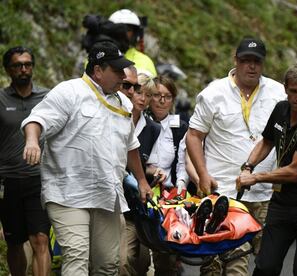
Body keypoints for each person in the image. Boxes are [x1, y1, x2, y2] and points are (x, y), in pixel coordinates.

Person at [186, 37, 297, 275]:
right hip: (226, 192)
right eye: (246, 60)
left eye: (257, 61)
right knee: (233, 264)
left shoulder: (285, 98)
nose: (251, 66)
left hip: (271, 196)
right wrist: (211, 174)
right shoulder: (216, 93)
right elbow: (195, 136)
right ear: (236, 60)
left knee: (282, 265)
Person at [21, 41, 153, 275]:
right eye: (117, 70)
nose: (122, 76)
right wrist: (32, 141)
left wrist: (142, 181)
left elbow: (131, 145)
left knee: (108, 265)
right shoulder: (69, 91)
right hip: (68, 193)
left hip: (106, 193)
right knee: (76, 257)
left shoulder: (122, 102)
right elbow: (36, 120)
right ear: (98, 70)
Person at [237, 63, 297, 275]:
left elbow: (294, 172)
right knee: (265, 266)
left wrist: (256, 178)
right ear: (285, 89)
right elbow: (266, 142)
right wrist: (248, 166)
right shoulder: (281, 109)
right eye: (294, 91)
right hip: (282, 203)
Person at [0, 46, 51, 276]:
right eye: (18, 65)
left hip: (39, 179)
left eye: (28, 64)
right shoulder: (1, 99)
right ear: (8, 69)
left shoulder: (47, 97)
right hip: (8, 180)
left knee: (40, 238)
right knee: (14, 241)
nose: (24, 69)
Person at [118, 66, 159, 276]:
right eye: (140, 92)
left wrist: (154, 172)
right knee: (123, 261)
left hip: (138, 203)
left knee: (142, 264)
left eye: (149, 95)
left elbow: (150, 162)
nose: (143, 98)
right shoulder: (115, 116)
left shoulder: (153, 129)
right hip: (116, 200)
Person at [147, 75, 189, 276]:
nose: (162, 101)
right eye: (157, 95)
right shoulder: (140, 121)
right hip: (143, 193)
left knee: (167, 256)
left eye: (167, 96)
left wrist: (181, 186)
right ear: (148, 96)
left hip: (169, 196)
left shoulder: (179, 126)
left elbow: (182, 162)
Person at [109, 8, 157, 77]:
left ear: (135, 34)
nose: (122, 32)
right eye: (118, 28)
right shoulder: (98, 55)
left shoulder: (145, 62)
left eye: (127, 29)